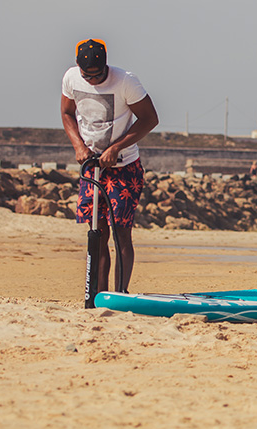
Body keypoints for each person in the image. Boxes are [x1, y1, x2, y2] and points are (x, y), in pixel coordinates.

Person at [60, 38, 159, 293]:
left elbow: (150, 119)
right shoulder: (71, 78)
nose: (92, 81)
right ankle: (98, 295)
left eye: (98, 76)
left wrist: (116, 148)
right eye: (87, 76)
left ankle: (120, 294)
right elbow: (67, 113)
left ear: (106, 66)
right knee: (97, 233)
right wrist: (78, 147)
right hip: (92, 169)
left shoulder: (126, 81)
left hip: (124, 168)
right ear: (78, 69)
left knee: (121, 234)